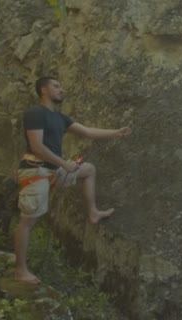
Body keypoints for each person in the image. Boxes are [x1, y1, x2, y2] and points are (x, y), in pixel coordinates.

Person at [14, 76, 132, 284]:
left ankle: (93, 212)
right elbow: (37, 147)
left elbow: (87, 131)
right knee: (28, 221)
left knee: (88, 170)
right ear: (43, 90)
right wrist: (64, 164)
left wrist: (116, 132)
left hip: (53, 171)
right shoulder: (35, 113)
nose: (62, 90)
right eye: (56, 86)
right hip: (35, 172)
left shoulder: (61, 118)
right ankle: (20, 270)